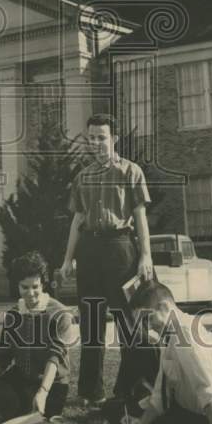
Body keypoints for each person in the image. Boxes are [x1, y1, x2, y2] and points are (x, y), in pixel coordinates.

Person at [59, 113, 154, 407]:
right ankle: (91, 391)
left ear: (113, 138)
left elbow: (140, 216)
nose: (97, 143)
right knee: (90, 320)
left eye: (102, 137)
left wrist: (145, 256)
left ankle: (129, 389)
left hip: (120, 248)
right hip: (90, 250)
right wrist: (67, 259)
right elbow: (77, 219)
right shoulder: (83, 176)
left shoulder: (130, 171)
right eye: (92, 138)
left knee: (128, 323)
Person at [110, 280, 212, 424]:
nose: (147, 327)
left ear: (165, 306)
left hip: (202, 416)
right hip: (192, 408)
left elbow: (209, 391)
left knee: (114, 412)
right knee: (120, 410)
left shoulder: (184, 333)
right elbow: (163, 391)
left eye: (148, 318)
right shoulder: (172, 331)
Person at [0, 251, 73, 422]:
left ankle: (6, 407)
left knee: (39, 410)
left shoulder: (60, 314)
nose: (30, 293)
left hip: (52, 384)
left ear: (43, 284)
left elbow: (55, 357)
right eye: (25, 287)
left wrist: (42, 393)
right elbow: (2, 357)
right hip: (21, 377)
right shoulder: (14, 314)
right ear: (17, 285)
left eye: (35, 287)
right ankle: (4, 405)